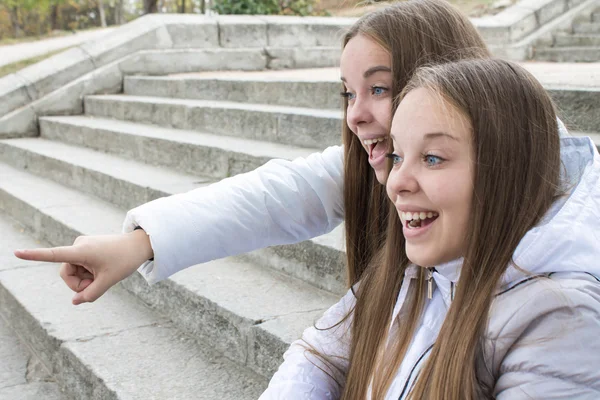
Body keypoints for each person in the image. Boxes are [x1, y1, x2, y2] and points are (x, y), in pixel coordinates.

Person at [14, 0, 510, 305]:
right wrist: (138, 243)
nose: (354, 116)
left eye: (379, 89)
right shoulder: (368, 169)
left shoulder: (555, 256)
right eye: (347, 93)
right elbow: (273, 197)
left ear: (446, 79)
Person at [260, 58, 600, 399]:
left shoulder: (561, 320)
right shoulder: (416, 270)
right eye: (397, 156)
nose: (397, 184)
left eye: (432, 158)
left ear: (508, 170)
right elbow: (318, 354)